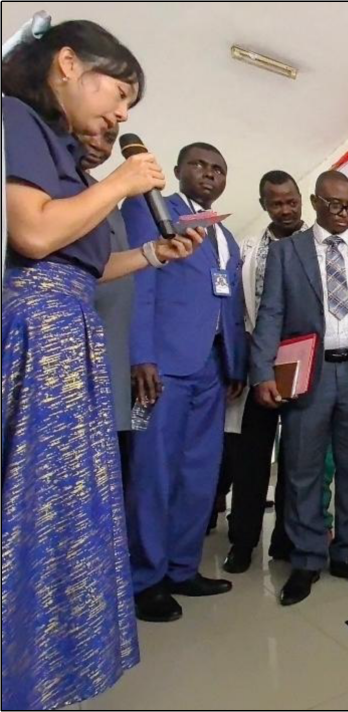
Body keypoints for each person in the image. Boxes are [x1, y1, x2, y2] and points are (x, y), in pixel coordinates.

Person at [1, 20, 202, 708]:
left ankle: (50, 669)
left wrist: (150, 255)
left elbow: (79, 263)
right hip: (39, 335)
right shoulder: (15, 117)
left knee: (66, 513)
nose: (121, 114)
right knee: (33, 512)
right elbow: (31, 232)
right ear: (66, 63)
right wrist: (119, 183)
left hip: (72, 329)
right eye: (118, 93)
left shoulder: (62, 154)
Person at [250, 170, 348, 606]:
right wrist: (262, 372)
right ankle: (307, 558)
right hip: (308, 375)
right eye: (335, 205)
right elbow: (271, 314)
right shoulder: (287, 252)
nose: (344, 214)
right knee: (301, 470)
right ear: (315, 203)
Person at [123, 141, 246, 622]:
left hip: (213, 371)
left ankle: (181, 568)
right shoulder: (150, 208)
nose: (210, 174)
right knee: (154, 473)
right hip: (164, 367)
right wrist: (141, 354)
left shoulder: (227, 238)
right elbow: (138, 282)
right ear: (178, 170)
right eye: (199, 165)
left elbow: (228, 303)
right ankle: (144, 579)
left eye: (219, 168)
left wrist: (234, 364)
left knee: (200, 473)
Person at [221, 170, 307, 573]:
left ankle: (286, 541)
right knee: (251, 460)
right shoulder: (250, 249)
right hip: (259, 365)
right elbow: (237, 313)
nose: (287, 210)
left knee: (298, 460)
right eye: (277, 203)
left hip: (305, 367)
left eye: (292, 201)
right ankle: (242, 542)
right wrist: (241, 365)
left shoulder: (316, 246)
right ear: (264, 206)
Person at [79, 126, 134, 467]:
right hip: (69, 343)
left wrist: (153, 253)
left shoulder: (107, 200)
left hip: (112, 351)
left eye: (110, 138)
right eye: (93, 131)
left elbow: (102, 266)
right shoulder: (51, 188)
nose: (100, 144)